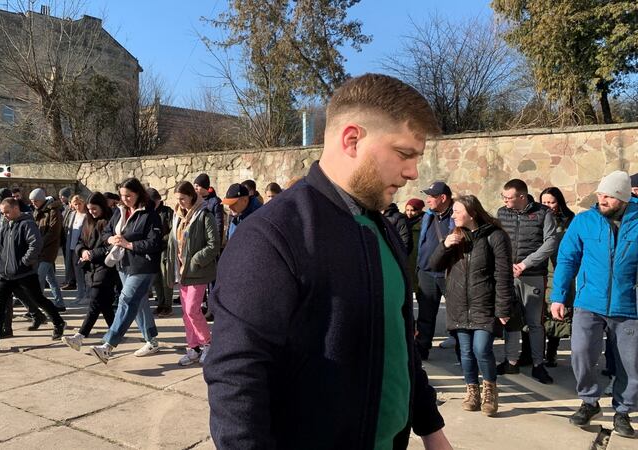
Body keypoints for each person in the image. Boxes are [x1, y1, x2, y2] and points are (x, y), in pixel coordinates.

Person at [204, 73, 450, 449]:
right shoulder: (273, 235)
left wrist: (431, 429)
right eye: (404, 154)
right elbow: (236, 379)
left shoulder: (381, 229)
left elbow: (399, 347)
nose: (413, 172)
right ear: (351, 139)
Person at [550, 171, 637, 437]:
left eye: (608, 196)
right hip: (589, 302)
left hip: (628, 305)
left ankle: (623, 411)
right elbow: (566, 259)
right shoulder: (585, 221)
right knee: (581, 353)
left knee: (631, 364)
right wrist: (558, 295)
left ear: (623, 197)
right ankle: (589, 402)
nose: (602, 200)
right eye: (600, 194)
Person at [428, 195, 513, 417]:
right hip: (458, 304)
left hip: (483, 303)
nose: (453, 215)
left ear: (472, 213)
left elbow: (503, 275)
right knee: (465, 351)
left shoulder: (495, 236)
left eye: (457, 211)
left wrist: (503, 308)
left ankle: (490, 391)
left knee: (481, 349)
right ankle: (472, 391)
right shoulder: (455, 236)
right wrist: (444, 246)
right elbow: (433, 265)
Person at [0, 197, 66, 354]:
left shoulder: (27, 223)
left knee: (38, 299)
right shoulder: (5, 223)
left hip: (24, 273)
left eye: (7, 212)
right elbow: (0, 242)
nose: (4, 215)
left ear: (16, 209)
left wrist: (24, 262)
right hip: (4, 274)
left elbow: (35, 244)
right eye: (2, 213)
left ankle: (58, 322)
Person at [88, 178, 163, 365]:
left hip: (144, 266)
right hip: (124, 264)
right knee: (139, 302)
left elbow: (155, 243)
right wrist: (111, 239)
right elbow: (106, 232)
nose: (125, 199)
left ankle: (108, 345)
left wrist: (129, 244)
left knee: (127, 300)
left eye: (129, 195)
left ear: (139, 194)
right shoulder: (119, 212)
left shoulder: (150, 214)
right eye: (122, 195)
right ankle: (152, 341)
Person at [496, 179, 558, 384]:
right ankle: (511, 362)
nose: (505, 201)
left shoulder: (543, 213)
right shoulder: (502, 213)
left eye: (509, 197)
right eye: (503, 197)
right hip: (507, 276)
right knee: (510, 320)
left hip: (533, 276)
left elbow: (550, 242)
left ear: (522, 197)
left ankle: (538, 365)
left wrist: (525, 264)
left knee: (535, 323)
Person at [167, 181, 218, 365]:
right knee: (186, 313)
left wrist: (196, 259)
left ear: (191, 196)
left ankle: (208, 344)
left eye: (183, 198)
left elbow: (214, 245)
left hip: (197, 272)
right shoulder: (177, 216)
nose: (180, 202)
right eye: (178, 199)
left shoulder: (204, 215)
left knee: (192, 310)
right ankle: (193, 347)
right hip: (182, 272)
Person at [61, 192, 119, 351]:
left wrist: (92, 254)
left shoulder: (110, 222)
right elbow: (79, 241)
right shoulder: (87, 220)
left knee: (94, 301)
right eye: (89, 209)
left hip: (106, 267)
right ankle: (116, 333)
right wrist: (82, 252)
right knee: (105, 305)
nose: (91, 212)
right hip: (90, 267)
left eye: (94, 209)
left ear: (102, 206)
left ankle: (80, 336)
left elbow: (110, 246)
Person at [415, 181, 455, 360]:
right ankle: (421, 349)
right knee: (425, 314)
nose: (428, 200)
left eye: (431, 196)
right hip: (426, 272)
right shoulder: (428, 215)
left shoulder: (457, 214)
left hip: (449, 273)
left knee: (456, 313)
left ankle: (463, 352)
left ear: (443, 198)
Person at [539, 187, 576, 368]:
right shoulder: (538, 218)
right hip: (541, 268)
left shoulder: (570, 221)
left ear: (559, 202)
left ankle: (551, 353)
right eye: (544, 202)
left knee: (557, 311)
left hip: (560, 269)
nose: (548, 206)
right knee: (541, 313)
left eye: (551, 202)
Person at [30, 188, 66, 311]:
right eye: (32, 201)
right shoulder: (38, 210)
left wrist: (39, 243)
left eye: (35, 201)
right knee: (51, 278)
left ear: (41, 200)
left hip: (49, 249)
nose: (33, 203)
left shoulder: (53, 211)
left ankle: (36, 307)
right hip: (41, 249)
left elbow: (53, 232)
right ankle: (60, 303)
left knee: (39, 278)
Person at [147, 187, 174, 317]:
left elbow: (173, 231)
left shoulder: (167, 212)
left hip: (165, 249)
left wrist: (161, 240)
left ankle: (167, 305)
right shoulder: (148, 212)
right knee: (156, 279)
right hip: (153, 250)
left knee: (165, 278)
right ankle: (160, 303)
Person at [63, 195, 88, 304]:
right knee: (76, 272)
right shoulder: (72, 214)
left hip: (81, 247)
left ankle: (85, 295)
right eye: (75, 204)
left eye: (80, 204)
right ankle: (80, 294)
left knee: (82, 272)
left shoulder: (87, 216)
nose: (77, 206)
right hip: (71, 247)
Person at [193, 173, 224, 247]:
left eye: (197, 186)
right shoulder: (196, 201)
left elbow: (219, 223)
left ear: (204, 187)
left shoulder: (216, 201)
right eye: (194, 186)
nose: (195, 189)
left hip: (210, 239)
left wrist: (217, 244)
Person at [60, 187, 77, 291]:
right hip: (65, 238)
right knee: (67, 261)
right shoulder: (65, 209)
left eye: (62, 196)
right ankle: (69, 279)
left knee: (71, 262)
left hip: (71, 239)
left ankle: (72, 281)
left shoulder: (73, 211)